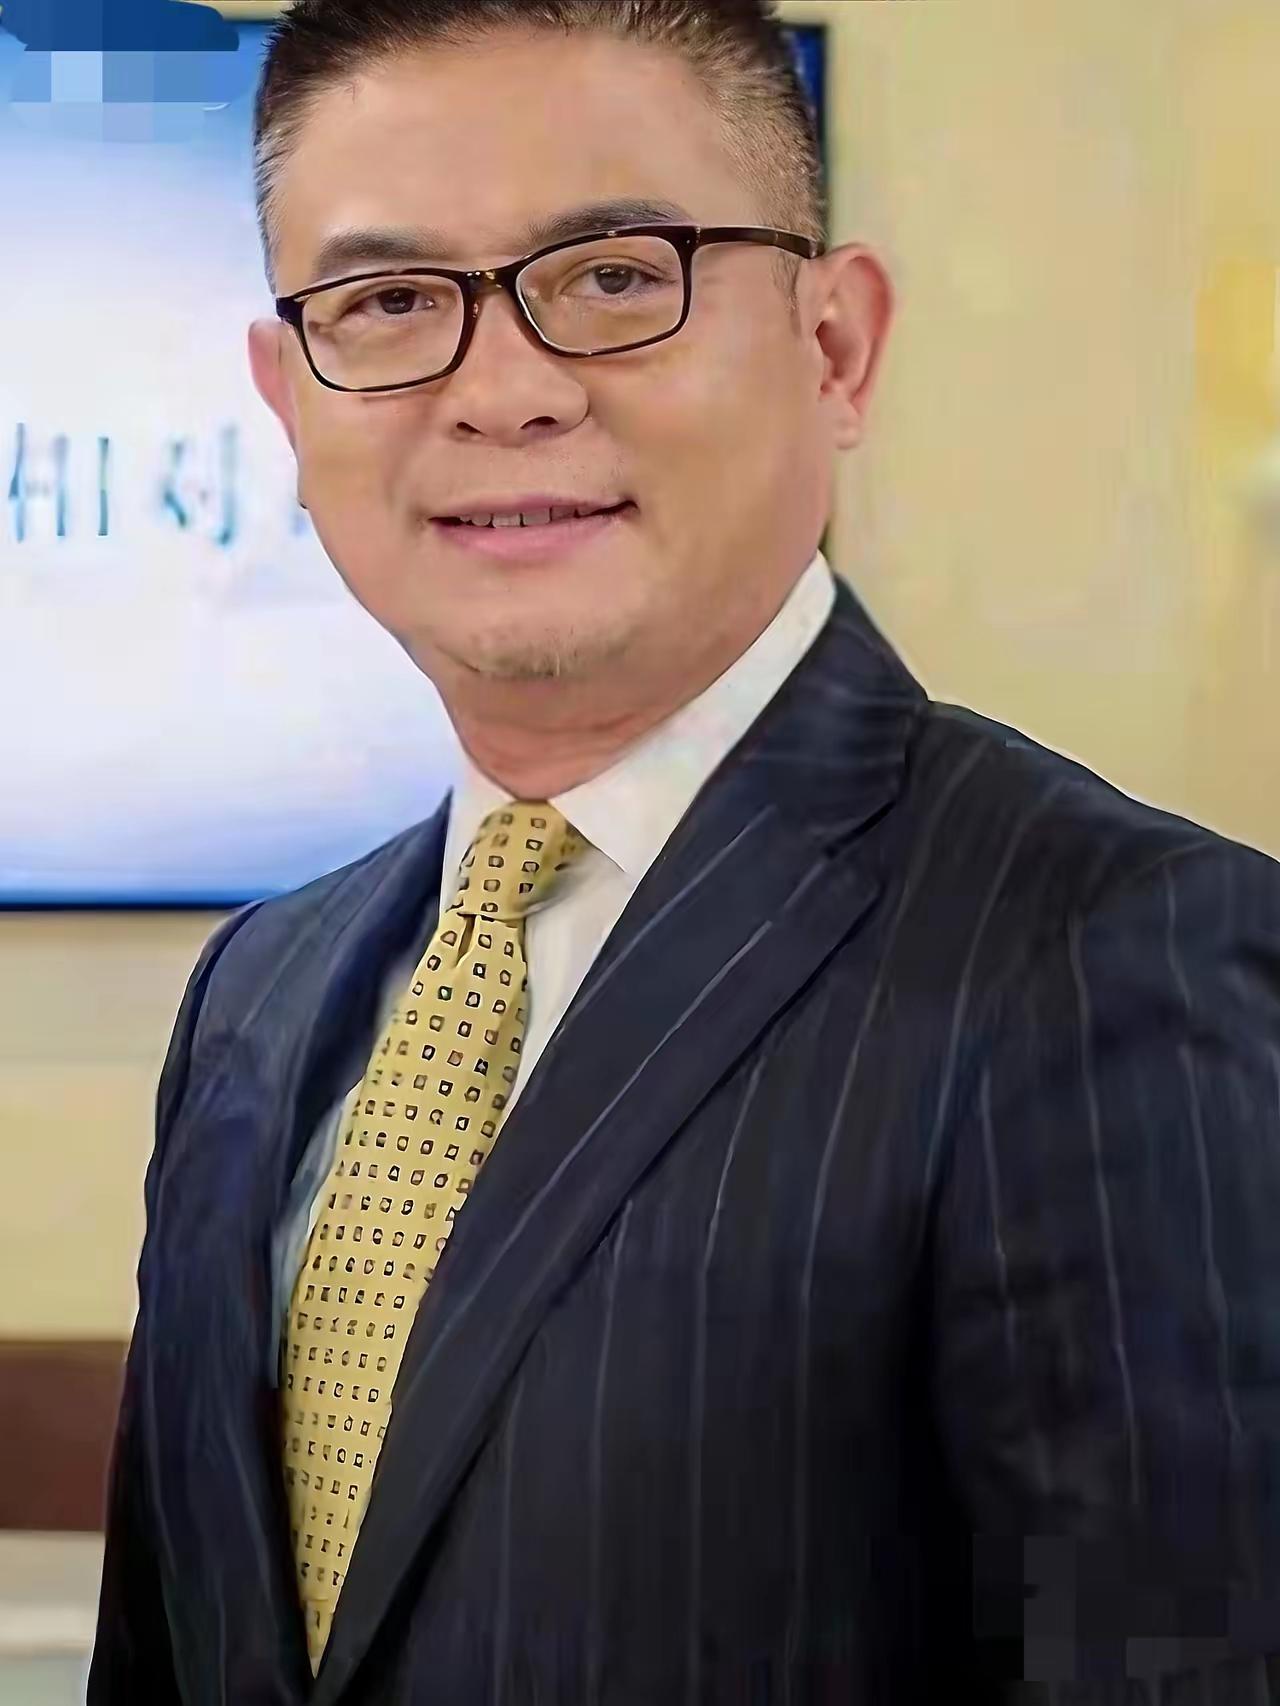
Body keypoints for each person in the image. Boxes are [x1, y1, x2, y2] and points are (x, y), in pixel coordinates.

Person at [89, 1, 1280, 1701]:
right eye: (391, 303)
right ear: (289, 402)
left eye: (614, 276)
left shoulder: (1115, 954)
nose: (502, 391)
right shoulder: (258, 995)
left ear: (835, 346)